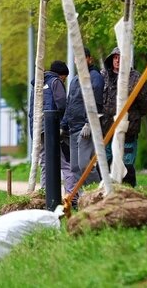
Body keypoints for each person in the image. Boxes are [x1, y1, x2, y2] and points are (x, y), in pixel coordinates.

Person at [102, 46, 147, 187]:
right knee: (105, 162)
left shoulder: (136, 78)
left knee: (127, 165)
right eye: (115, 57)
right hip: (107, 129)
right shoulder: (103, 76)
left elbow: (146, 103)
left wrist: (133, 115)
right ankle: (106, 194)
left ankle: (129, 194)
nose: (117, 60)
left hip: (128, 130)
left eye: (120, 57)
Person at [61, 47, 104, 190]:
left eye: (83, 58)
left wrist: (89, 123)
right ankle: (83, 199)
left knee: (85, 165)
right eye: (77, 58)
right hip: (73, 129)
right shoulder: (74, 81)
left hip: (86, 128)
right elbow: (70, 104)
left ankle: (98, 195)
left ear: (89, 59)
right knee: (74, 168)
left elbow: (97, 101)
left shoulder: (95, 77)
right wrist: (63, 125)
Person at [29, 60, 71, 191]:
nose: (64, 81)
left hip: (38, 129)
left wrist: (33, 131)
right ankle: (73, 194)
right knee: (65, 162)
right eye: (65, 78)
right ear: (61, 75)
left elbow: (32, 110)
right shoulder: (55, 82)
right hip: (52, 128)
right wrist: (63, 126)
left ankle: (44, 193)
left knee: (45, 162)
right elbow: (63, 105)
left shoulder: (38, 84)